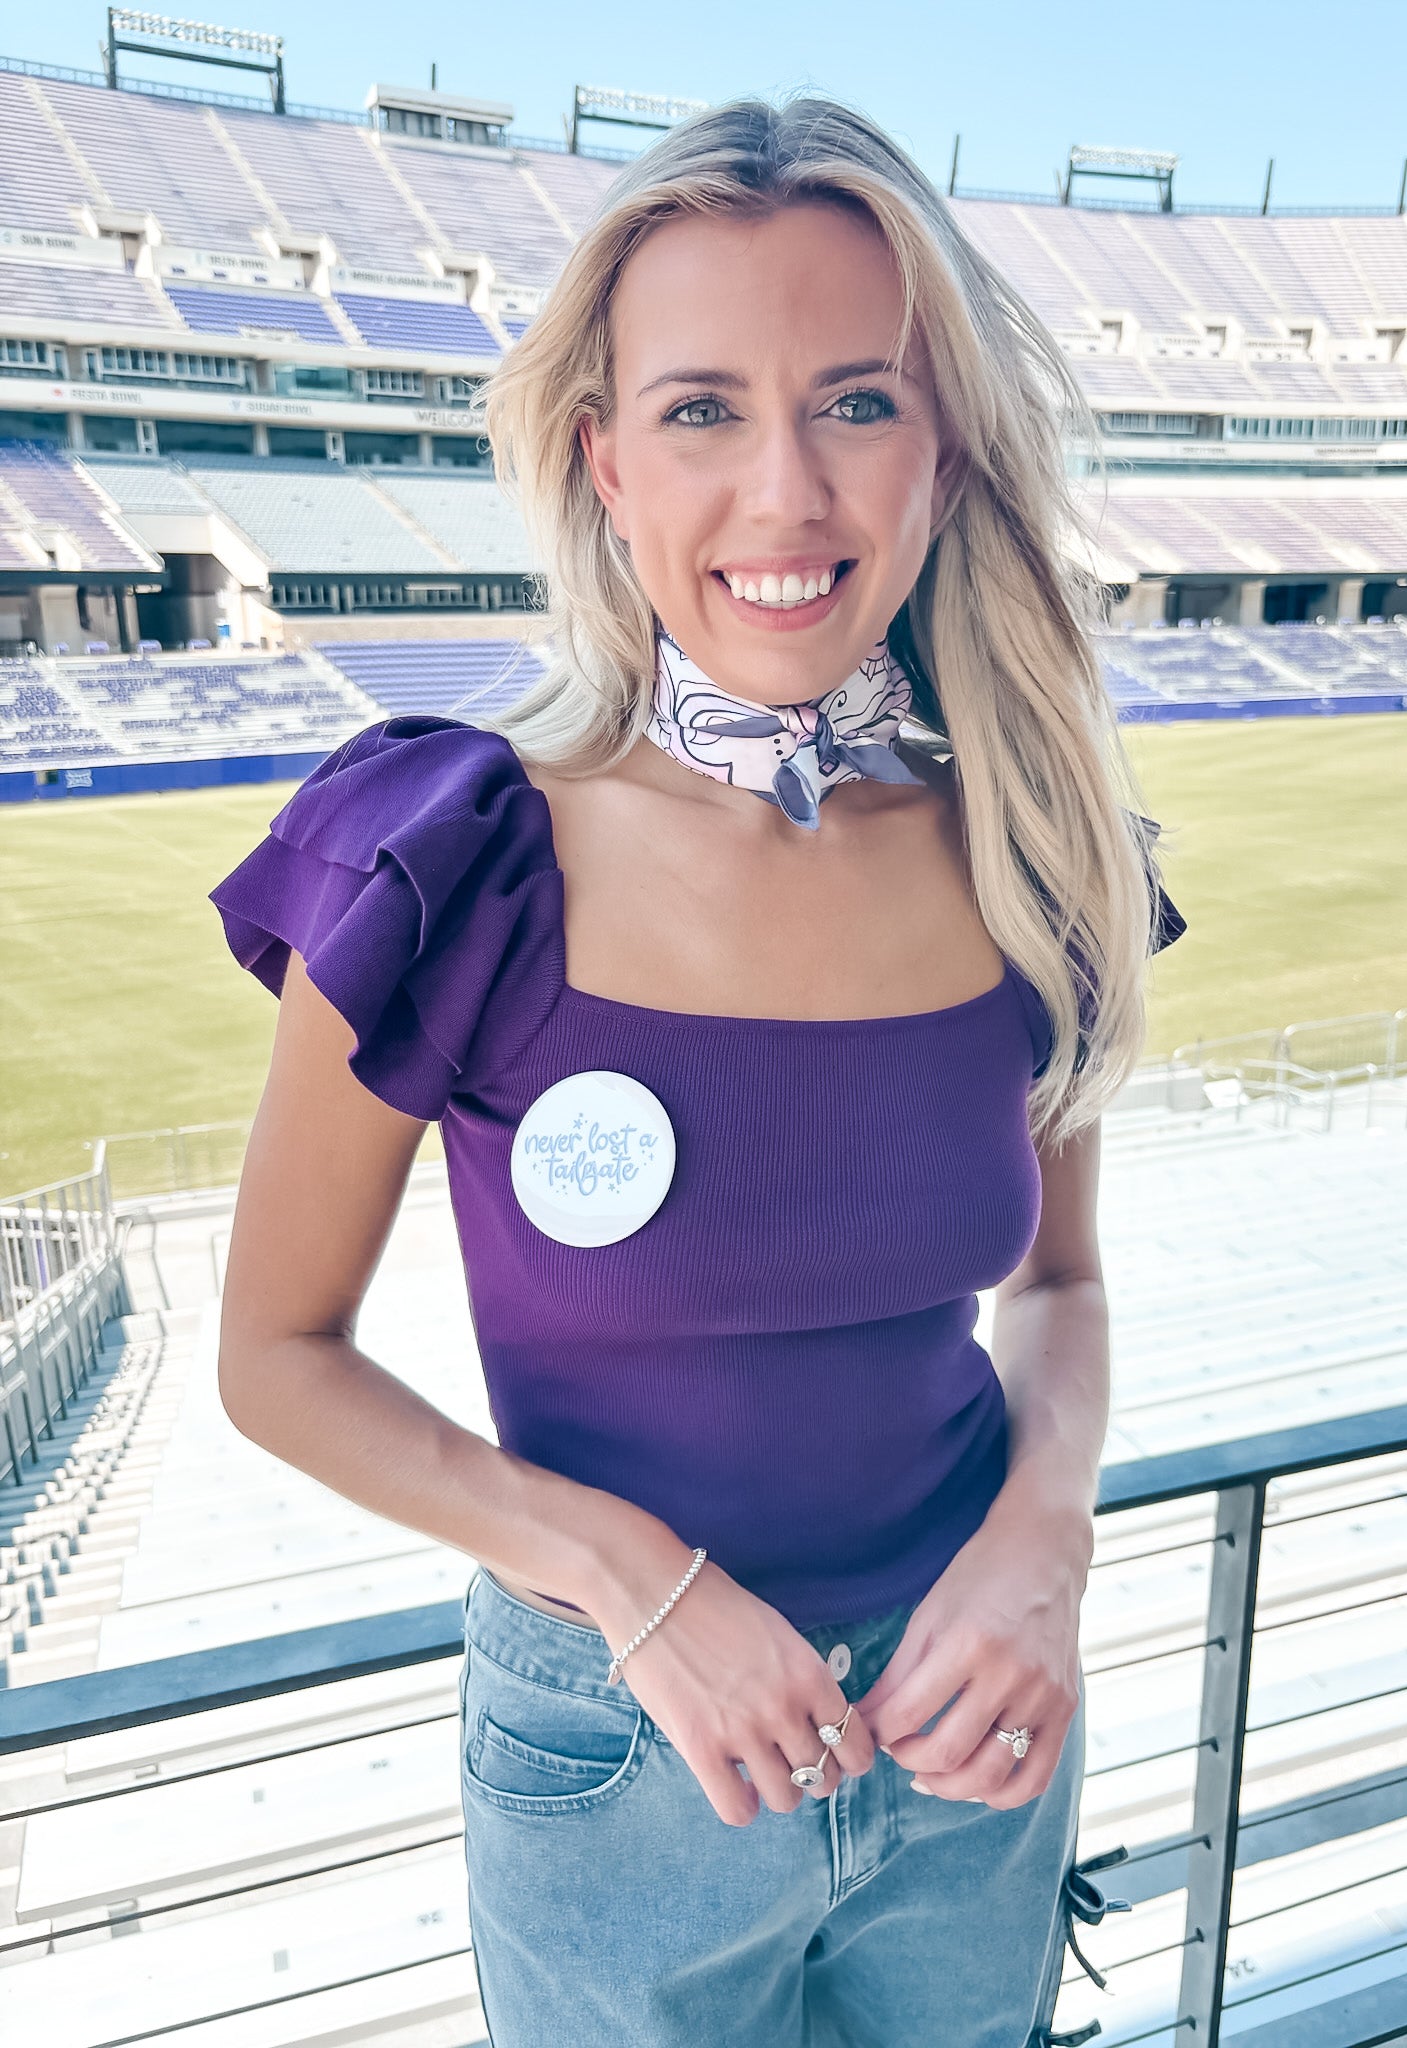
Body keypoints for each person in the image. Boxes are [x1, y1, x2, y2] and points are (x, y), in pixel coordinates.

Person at [210, 94, 1183, 2048]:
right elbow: (274, 1357)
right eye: (702, 411)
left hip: (975, 1723)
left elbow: (1060, 1287)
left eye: (857, 402)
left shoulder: (1039, 852)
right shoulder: (457, 858)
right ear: (605, 462)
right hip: (617, 1756)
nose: (785, 494)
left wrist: (1042, 1540)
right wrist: (630, 1579)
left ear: (943, 448)